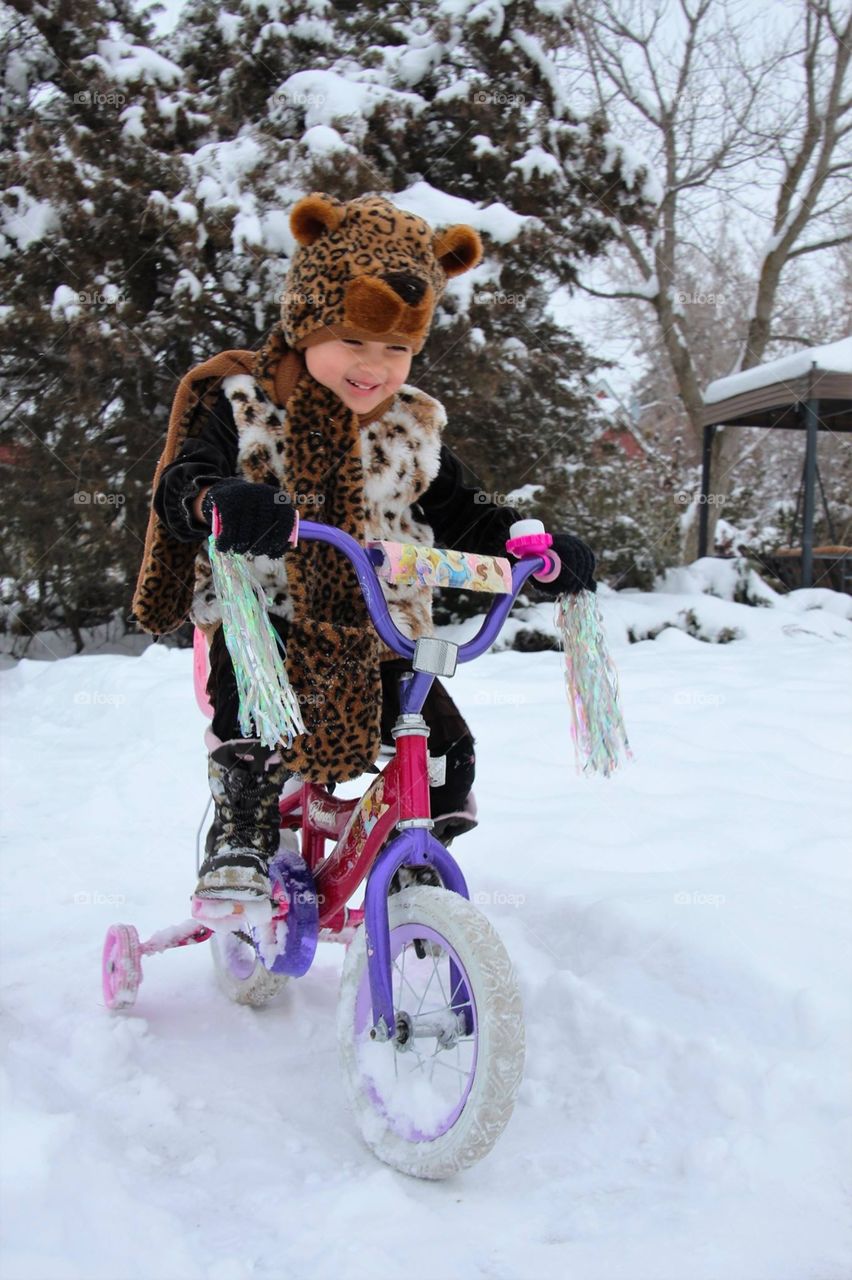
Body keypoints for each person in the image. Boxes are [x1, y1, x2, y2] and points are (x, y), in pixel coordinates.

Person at [132, 192, 596, 903]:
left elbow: (463, 509)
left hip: (381, 630)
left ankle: (417, 851)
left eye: (397, 349)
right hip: (265, 622)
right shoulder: (244, 401)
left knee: (445, 748)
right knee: (252, 719)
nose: (373, 366)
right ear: (309, 321)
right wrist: (218, 499)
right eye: (353, 339)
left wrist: (528, 545)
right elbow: (183, 482)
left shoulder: (412, 425)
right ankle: (243, 831)